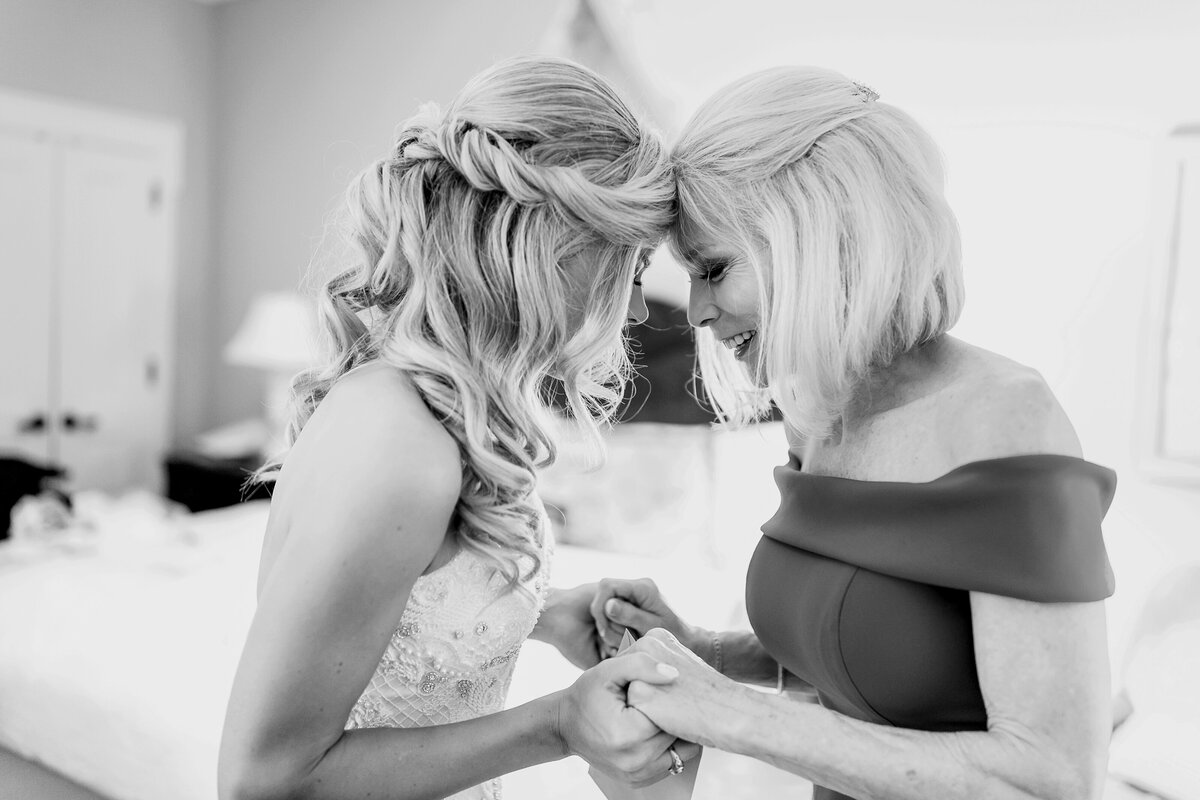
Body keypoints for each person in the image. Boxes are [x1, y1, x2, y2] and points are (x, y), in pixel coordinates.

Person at [592, 66, 1116, 800]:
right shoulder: (815, 411)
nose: (698, 312)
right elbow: (867, 662)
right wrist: (699, 649)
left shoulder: (1003, 418)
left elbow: (1053, 777)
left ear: (814, 234)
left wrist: (732, 716)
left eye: (713, 268)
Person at [217, 56, 697, 800]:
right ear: (550, 248)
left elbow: (408, 607)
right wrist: (561, 724)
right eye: (630, 268)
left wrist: (541, 610)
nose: (636, 310)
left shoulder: (442, 409)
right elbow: (264, 783)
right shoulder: (395, 437)